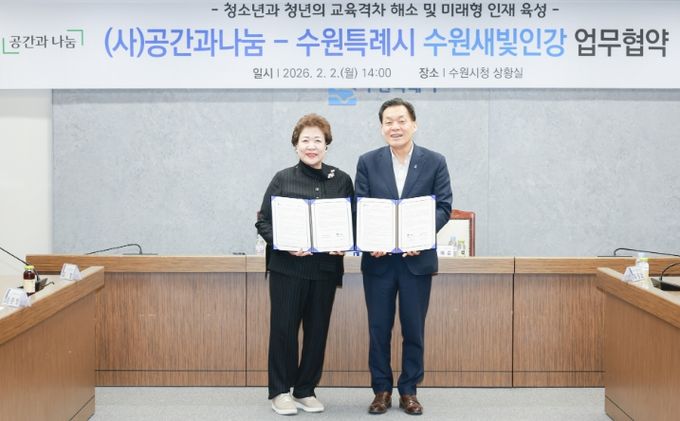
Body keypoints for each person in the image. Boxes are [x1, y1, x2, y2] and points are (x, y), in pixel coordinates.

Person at [355, 98, 452, 416]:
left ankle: (409, 390)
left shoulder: (434, 161)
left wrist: (420, 236)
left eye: (401, 120)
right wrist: (371, 239)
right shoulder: (368, 161)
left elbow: (444, 207)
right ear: (381, 127)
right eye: (388, 122)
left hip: (416, 261)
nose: (395, 127)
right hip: (379, 261)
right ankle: (381, 390)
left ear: (414, 124)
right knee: (378, 329)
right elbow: (360, 206)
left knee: (413, 329)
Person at [255, 113, 354, 416]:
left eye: (318, 140)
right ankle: (280, 391)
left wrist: (346, 242)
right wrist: (284, 242)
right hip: (288, 269)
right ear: (296, 145)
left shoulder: (341, 180)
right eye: (305, 140)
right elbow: (263, 222)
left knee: (317, 332)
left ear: (327, 145)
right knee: (283, 330)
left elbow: (352, 222)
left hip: (325, 270)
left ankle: (305, 390)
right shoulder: (283, 179)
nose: (312, 146)